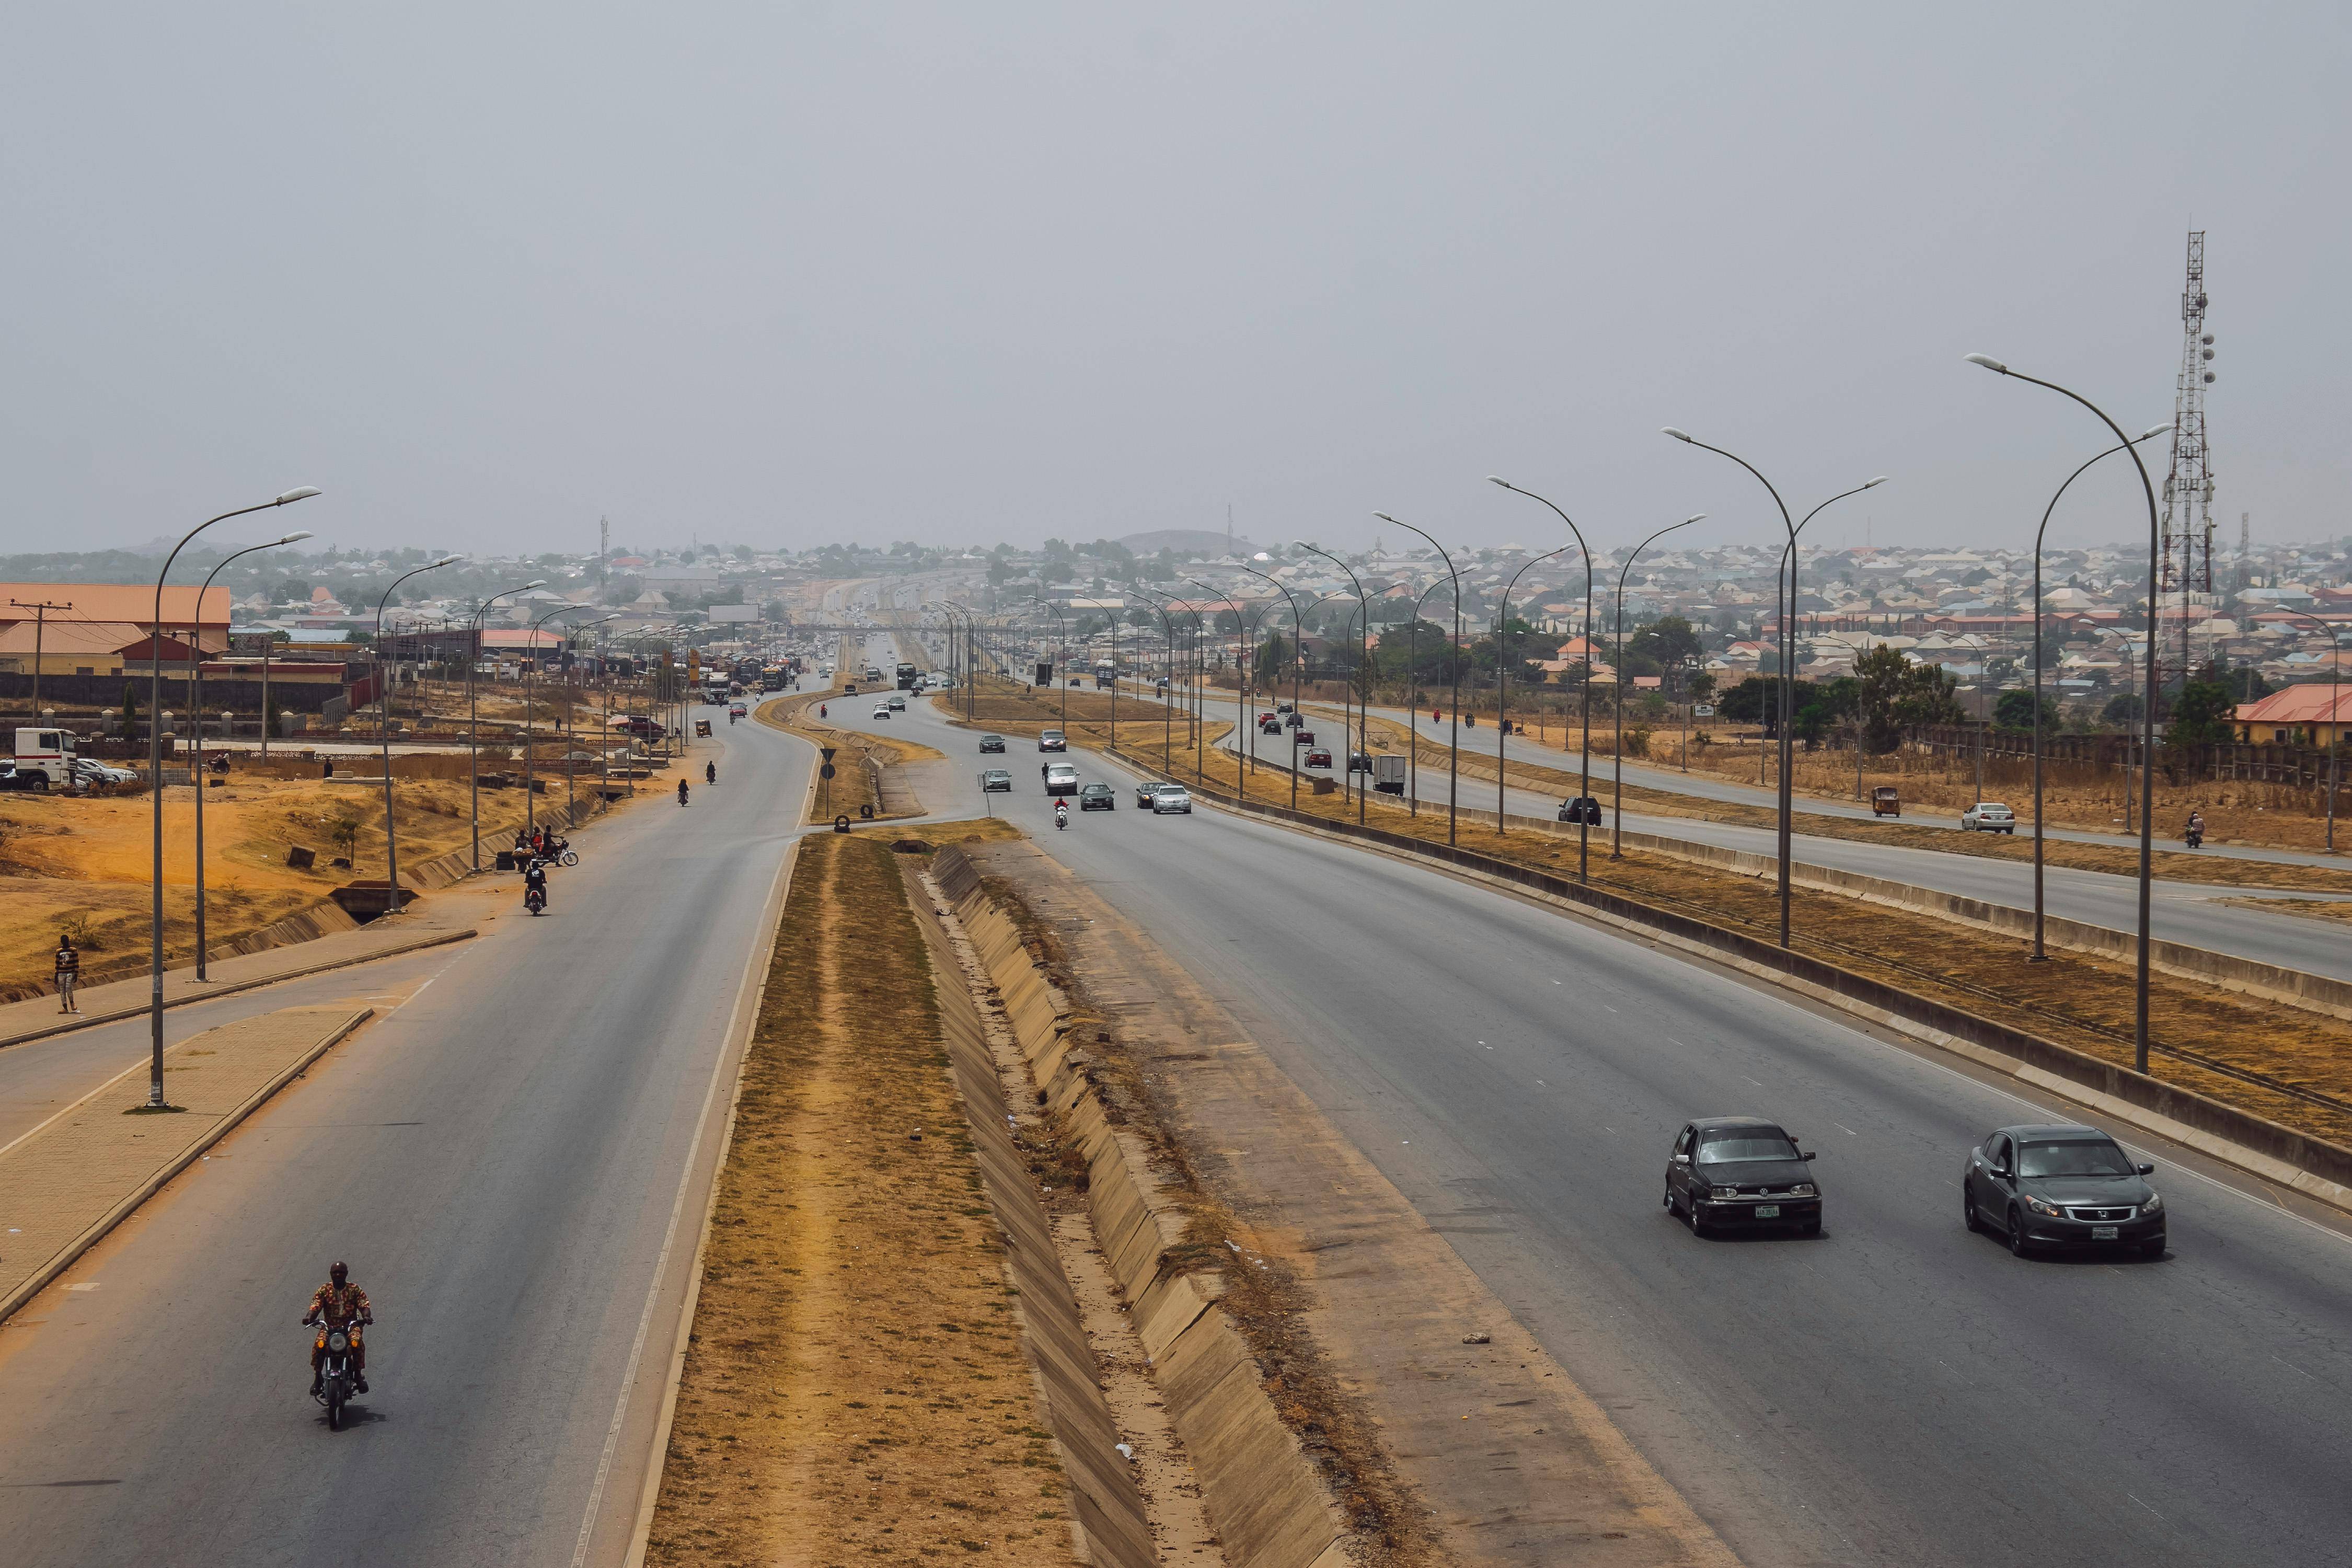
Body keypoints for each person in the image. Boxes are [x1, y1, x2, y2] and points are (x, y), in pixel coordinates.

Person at [304, 1261, 373, 1395]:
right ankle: (318, 1377)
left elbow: (364, 1305)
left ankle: (358, 1375)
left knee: (357, 1342)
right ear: (331, 1274)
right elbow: (315, 1305)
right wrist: (309, 1317)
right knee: (319, 1345)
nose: (338, 1275)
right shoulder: (324, 1290)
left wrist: (366, 1317)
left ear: (346, 1274)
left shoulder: (354, 1289)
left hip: (351, 1326)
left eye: (341, 1272)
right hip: (329, 1327)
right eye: (335, 1272)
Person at [54, 932, 79, 1014]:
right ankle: (65, 1008)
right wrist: (56, 974)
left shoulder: (73, 950)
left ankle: (72, 1003)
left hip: (70, 972)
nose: (65, 942)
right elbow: (57, 963)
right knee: (62, 990)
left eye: (66, 941)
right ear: (61, 942)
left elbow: (76, 962)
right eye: (63, 941)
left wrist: (76, 973)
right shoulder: (59, 951)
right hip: (61, 973)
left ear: (68, 941)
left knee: (68, 988)